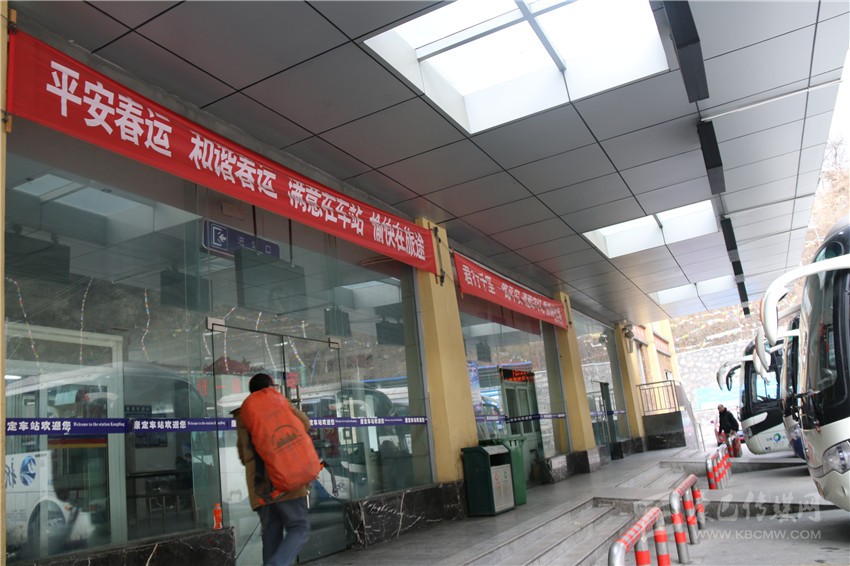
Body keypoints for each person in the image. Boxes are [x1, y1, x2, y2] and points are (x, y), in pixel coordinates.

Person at [232, 373, 311, 566]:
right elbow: (304, 424)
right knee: (299, 527)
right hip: (286, 478)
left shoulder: (243, 415)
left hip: (260, 487)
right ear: (270, 388)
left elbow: (243, 456)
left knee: (271, 537)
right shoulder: (279, 404)